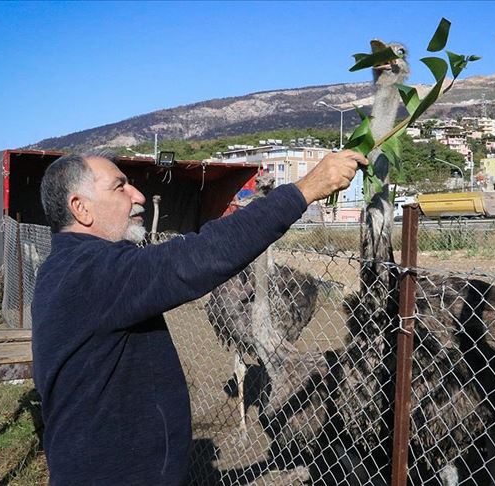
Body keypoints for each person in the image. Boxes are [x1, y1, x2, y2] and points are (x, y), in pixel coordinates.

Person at [31, 148, 366, 484]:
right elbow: (198, 256)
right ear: (81, 207)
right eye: (120, 187)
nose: (138, 196)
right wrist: (305, 190)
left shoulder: (70, 270)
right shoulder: (90, 276)